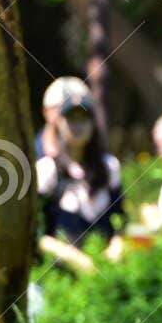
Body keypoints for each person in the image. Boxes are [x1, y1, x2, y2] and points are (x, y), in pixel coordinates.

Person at [35, 79, 124, 273]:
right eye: (71, 117)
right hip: (58, 280)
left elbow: (121, 219)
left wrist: (116, 247)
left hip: (105, 277)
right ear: (58, 122)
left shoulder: (109, 167)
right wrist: (74, 258)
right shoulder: (47, 170)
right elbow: (33, 232)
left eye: (84, 116)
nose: (78, 124)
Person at [36, 75, 91, 161]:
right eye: (61, 107)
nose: (77, 121)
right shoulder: (33, 155)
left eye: (83, 113)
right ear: (46, 112)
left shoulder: (102, 162)